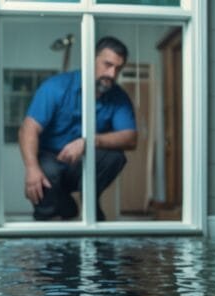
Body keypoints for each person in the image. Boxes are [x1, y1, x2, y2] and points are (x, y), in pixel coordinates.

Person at [19, 36, 137, 221]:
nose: (112, 74)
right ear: (92, 60)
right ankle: (50, 216)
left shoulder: (118, 97)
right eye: (107, 65)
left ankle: (90, 207)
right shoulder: (56, 87)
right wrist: (31, 169)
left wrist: (88, 141)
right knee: (49, 176)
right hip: (51, 161)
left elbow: (130, 138)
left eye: (118, 68)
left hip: (83, 164)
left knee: (115, 157)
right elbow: (28, 129)